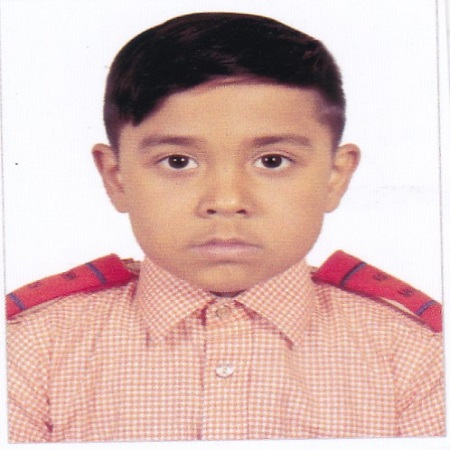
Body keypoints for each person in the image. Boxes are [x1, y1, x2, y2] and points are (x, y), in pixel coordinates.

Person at [6, 12, 444, 442]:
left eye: (272, 161)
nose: (227, 201)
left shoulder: (418, 358)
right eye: (178, 162)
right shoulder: (29, 352)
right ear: (116, 177)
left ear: (335, 176)